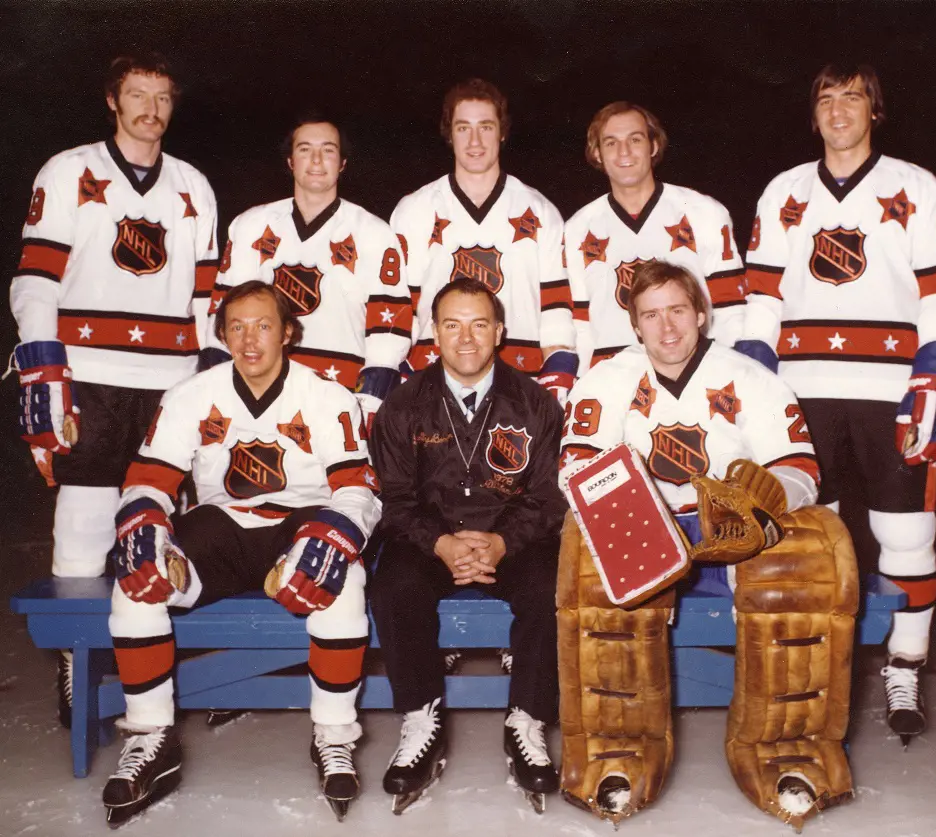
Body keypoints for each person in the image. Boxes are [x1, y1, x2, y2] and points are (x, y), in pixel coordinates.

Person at [559, 261, 858, 829]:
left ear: (701, 313)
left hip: (730, 531)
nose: (666, 327)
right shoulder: (605, 379)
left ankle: (787, 750)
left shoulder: (751, 376)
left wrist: (762, 506)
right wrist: (631, 519)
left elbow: (799, 468)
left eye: (677, 310)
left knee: (800, 571)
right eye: (651, 315)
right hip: (644, 521)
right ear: (635, 324)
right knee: (599, 576)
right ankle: (615, 750)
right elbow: (575, 467)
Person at [736, 63, 936, 745]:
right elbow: (762, 301)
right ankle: (823, 662)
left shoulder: (920, 188)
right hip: (802, 392)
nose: (840, 110)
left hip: (889, 388)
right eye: (826, 99)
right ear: (813, 115)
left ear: (876, 108)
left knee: (904, 534)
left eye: (854, 96)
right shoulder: (784, 191)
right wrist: (752, 393)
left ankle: (905, 664)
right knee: (814, 538)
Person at [101, 281, 379, 825]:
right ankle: (150, 736)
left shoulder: (327, 396)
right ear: (223, 334)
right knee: (138, 577)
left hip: (299, 527)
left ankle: (333, 733)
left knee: (342, 581)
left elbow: (356, 488)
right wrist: (143, 518)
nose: (250, 340)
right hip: (221, 528)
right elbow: (149, 479)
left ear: (288, 332)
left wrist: (335, 531)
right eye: (237, 327)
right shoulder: (190, 394)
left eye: (264, 325)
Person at [9, 51, 218, 727]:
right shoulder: (69, 171)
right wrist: (43, 358)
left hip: (172, 383)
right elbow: (36, 275)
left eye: (162, 97)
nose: (150, 109)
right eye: (137, 95)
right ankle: (79, 660)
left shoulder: (194, 186)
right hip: (91, 377)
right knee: (83, 521)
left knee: (168, 526)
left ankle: (160, 663)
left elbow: (205, 298)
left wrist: (212, 377)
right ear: (112, 99)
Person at [369, 277, 565, 814]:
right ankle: (419, 717)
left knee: (552, 586)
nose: (467, 338)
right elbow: (396, 501)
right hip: (431, 540)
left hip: (513, 538)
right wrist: (441, 544)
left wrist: (503, 542)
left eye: (480, 325)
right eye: (452, 325)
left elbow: (548, 499)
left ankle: (527, 718)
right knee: (393, 585)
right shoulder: (402, 406)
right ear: (434, 333)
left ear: (499, 331)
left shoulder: (536, 403)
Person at [205, 111, 412, 427]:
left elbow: (388, 332)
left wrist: (366, 403)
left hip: (336, 396)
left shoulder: (374, 233)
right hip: (255, 391)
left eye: (328, 150)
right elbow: (220, 320)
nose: (316, 160)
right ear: (290, 160)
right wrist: (214, 389)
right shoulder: (250, 226)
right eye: (305, 149)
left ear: (343, 162)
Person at [390, 79, 577, 405]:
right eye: (463, 128)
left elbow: (556, 314)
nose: (475, 140)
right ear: (449, 134)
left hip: (518, 384)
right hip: (433, 384)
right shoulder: (414, 210)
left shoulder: (540, 211)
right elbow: (401, 312)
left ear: (502, 132)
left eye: (486, 127)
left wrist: (555, 384)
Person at [564, 101, 745, 371]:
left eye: (635, 139)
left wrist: (726, 374)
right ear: (597, 153)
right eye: (611, 142)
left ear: (654, 146)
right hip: (614, 380)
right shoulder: (578, 228)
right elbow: (581, 326)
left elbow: (730, 311)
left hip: (691, 374)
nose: (623, 151)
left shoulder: (703, 213)